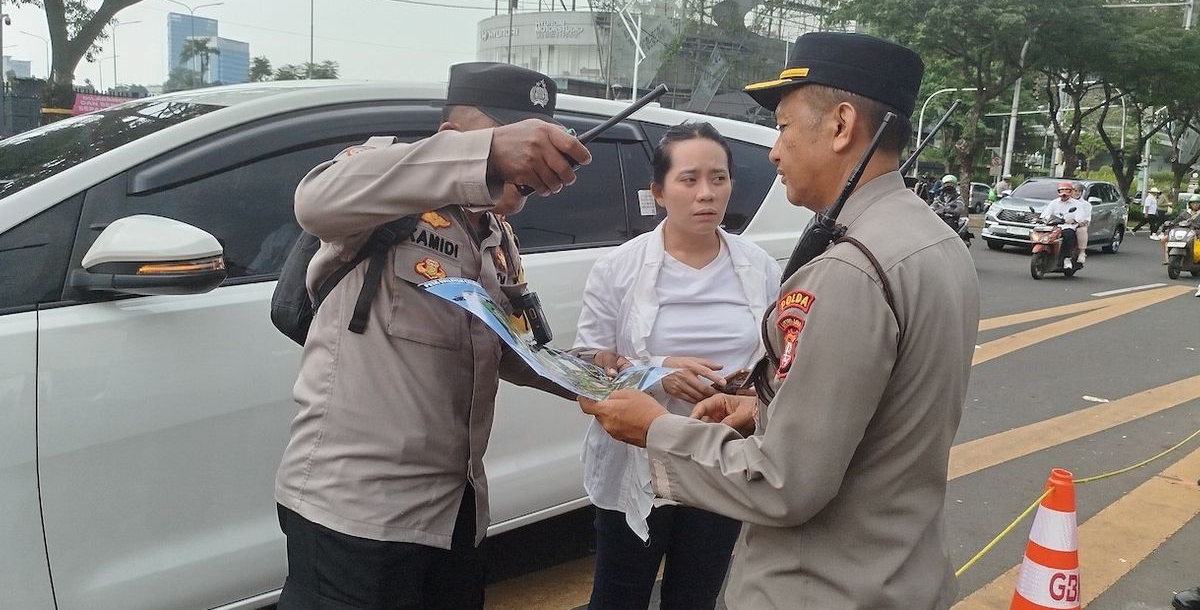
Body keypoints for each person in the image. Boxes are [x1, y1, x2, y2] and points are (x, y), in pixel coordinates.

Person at [578, 31, 980, 609]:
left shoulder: (849, 271)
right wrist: (763, 405)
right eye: (689, 179)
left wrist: (654, 428)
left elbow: (784, 482)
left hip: (822, 585)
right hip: (896, 573)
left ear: (841, 126)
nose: (772, 151)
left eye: (785, 127)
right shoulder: (933, 243)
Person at [273, 62, 591, 610]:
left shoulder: (497, 236)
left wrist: (597, 375)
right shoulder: (382, 188)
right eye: (511, 135)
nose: (528, 158)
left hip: (455, 511)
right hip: (359, 514)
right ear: (453, 137)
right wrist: (487, 153)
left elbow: (508, 347)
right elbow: (315, 202)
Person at [574, 122, 781, 610]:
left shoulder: (760, 268)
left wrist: (746, 391)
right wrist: (655, 371)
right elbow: (586, 373)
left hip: (721, 461)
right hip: (637, 462)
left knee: (696, 594)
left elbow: (782, 365)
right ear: (659, 192)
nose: (706, 193)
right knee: (618, 596)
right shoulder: (618, 269)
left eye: (719, 178)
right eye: (689, 180)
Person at [1040, 180, 1084, 269]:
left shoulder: (1077, 204)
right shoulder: (1054, 202)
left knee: (1068, 235)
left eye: (1067, 190)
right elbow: (1045, 214)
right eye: (1062, 190)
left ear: (1071, 191)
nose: (1064, 193)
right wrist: (1042, 219)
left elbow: (1080, 217)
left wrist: (1073, 220)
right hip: (1053, 226)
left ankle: (1067, 258)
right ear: (1058, 192)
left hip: (1067, 227)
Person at [1069, 182, 1092, 265]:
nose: (1077, 193)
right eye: (1075, 190)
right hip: (1065, 225)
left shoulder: (1086, 204)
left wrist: (1081, 223)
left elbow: (1087, 218)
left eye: (1079, 191)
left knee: (1082, 230)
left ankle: (1082, 253)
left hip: (1078, 225)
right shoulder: (1065, 201)